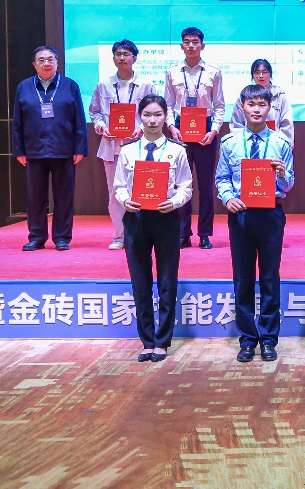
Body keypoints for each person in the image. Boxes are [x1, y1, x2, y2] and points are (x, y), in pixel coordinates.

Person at [217, 84, 295, 364]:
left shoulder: (280, 143)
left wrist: (283, 174)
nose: (257, 110)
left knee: (270, 278)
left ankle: (269, 338)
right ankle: (248, 339)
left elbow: (289, 185)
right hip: (241, 215)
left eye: (262, 105)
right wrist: (228, 198)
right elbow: (222, 178)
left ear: (269, 108)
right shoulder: (229, 143)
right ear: (242, 107)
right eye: (251, 105)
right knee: (243, 278)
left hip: (271, 214)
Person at [113, 94, 192, 362]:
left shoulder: (177, 150)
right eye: (147, 114)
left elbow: (186, 186)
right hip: (135, 219)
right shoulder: (128, 150)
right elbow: (119, 186)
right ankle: (147, 339)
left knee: (167, 280)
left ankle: (163, 340)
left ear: (166, 117)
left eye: (158, 114)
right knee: (140, 280)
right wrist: (125, 200)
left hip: (166, 218)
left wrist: (175, 202)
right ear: (140, 117)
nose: (152, 120)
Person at [12, 45, 87, 252]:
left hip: (64, 149)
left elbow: (79, 119)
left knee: (64, 196)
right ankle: (36, 236)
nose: (46, 63)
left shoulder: (70, 86)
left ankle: (62, 237)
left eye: (50, 59)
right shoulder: (24, 87)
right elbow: (17, 122)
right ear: (34, 64)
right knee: (35, 196)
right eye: (41, 60)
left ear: (57, 62)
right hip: (34, 150)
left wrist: (80, 147)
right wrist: (19, 150)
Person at [88, 39, 156, 250]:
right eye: (118, 54)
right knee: (116, 193)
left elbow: (155, 111)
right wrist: (101, 126)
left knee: (141, 191)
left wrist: (142, 128)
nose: (122, 58)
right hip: (111, 147)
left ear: (134, 58)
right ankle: (120, 236)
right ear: (114, 58)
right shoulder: (103, 85)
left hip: (138, 146)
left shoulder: (146, 85)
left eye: (126, 54)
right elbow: (94, 111)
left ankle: (141, 235)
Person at [164, 27, 226, 250]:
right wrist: (172, 127)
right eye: (187, 42)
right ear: (181, 45)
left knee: (206, 185)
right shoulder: (172, 72)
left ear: (202, 45)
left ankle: (205, 234)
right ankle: (183, 233)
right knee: (181, 182)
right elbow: (168, 104)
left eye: (195, 41)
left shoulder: (213, 72)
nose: (191, 45)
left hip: (205, 129)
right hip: (180, 128)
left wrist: (214, 131)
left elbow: (219, 105)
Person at [230, 58, 294, 145]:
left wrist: (283, 145)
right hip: (248, 144)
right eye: (257, 72)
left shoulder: (280, 96)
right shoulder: (244, 96)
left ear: (270, 74)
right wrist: (241, 144)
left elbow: (286, 125)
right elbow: (236, 124)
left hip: (275, 145)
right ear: (252, 76)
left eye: (264, 72)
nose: (261, 76)